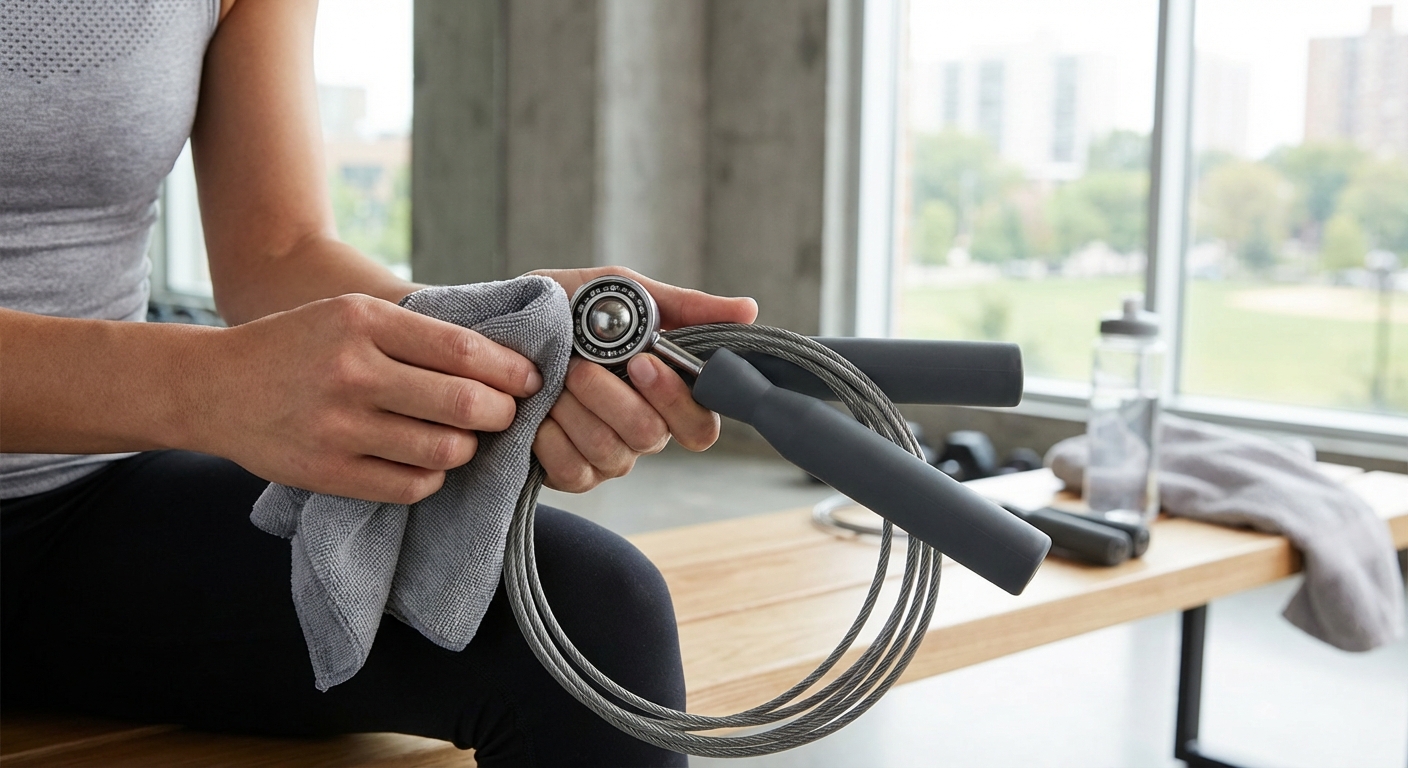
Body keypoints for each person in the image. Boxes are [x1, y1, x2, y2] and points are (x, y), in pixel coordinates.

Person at [0, 1, 756, 765]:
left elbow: (278, 249)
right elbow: (209, 376)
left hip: (76, 507)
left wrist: (493, 334)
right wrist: (203, 386)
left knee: (596, 620)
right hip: (133, 429)